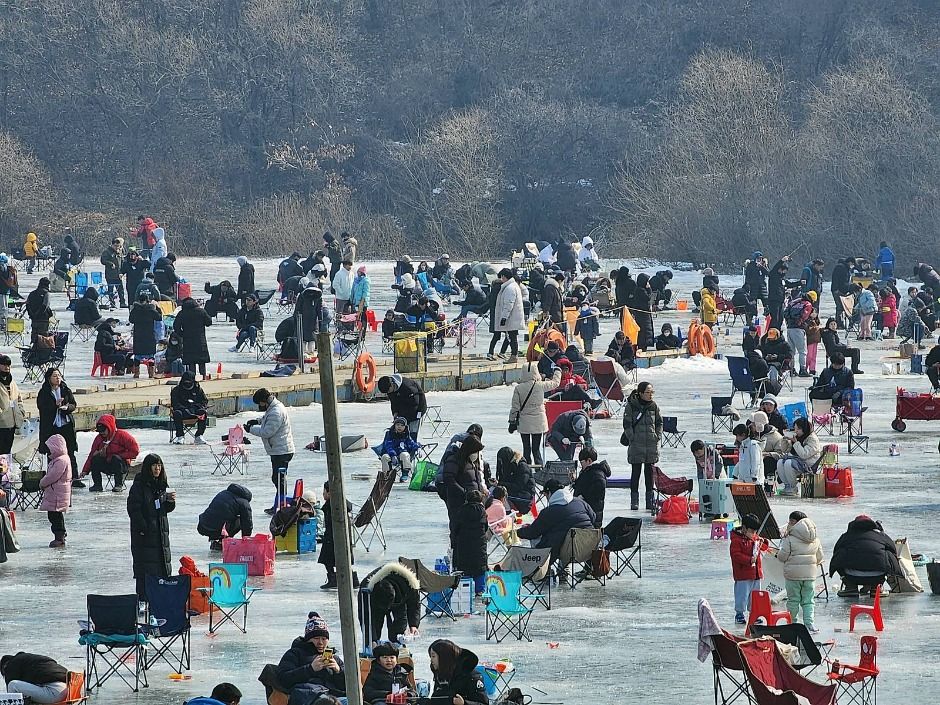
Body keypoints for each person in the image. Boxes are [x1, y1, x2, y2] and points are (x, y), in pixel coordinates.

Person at [127, 453, 175, 601]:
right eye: (154, 465)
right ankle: (142, 600)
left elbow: (161, 510)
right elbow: (134, 509)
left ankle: (158, 600)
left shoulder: (160, 486)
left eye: (159, 465)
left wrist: (169, 501)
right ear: (148, 467)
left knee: (160, 569)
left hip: (160, 536)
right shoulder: (139, 487)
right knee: (145, 570)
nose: (157, 469)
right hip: (145, 537)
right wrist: (144, 529)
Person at [277, 612, 346, 704]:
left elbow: (349, 686)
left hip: (335, 696)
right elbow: (283, 679)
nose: (320, 642)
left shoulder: (335, 658)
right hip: (309, 697)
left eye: (324, 639)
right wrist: (310, 669)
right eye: (316, 638)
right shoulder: (295, 653)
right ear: (308, 638)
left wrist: (338, 671)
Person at [244, 388, 295, 513]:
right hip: (278, 450)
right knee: (277, 479)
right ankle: (279, 505)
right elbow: (267, 418)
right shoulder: (273, 407)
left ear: (263, 401)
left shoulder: (276, 411)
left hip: (282, 451)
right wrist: (257, 421)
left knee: (279, 480)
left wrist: (250, 429)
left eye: (259, 404)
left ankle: (281, 506)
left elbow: (267, 432)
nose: (259, 406)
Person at [517, 480, 596, 560]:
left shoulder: (549, 511)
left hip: (566, 552)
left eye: (545, 495)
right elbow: (593, 517)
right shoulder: (580, 502)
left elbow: (533, 532)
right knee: (565, 536)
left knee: (539, 539)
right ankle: (564, 569)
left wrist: (518, 532)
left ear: (550, 493)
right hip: (589, 547)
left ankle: (542, 568)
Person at [829, 515, 902, 597]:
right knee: (887, 554)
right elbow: (893, 550)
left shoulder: (846, 536)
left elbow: (836, 552)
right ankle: (876, 588)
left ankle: (850, 587)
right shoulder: (881, 536)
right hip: (877, 576)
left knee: (840, 553)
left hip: (851, 576)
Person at [776, 510, 824, 633]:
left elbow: (782, 557)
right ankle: (809, 624)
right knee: (808, 601)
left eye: (790, 521)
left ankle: (793, 623)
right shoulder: (815, 539)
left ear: (795, 523)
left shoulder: (789, 539)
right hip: (810, 576)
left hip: (793, 576)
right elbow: (820, 557)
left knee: (793, 600)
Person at [36, 368, 81, 487]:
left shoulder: (65, 389)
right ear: (49, 378)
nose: (58, 378)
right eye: (55, 376)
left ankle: (74, 478)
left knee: (70, 451)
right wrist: (54, 405)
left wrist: (67, 407)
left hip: (65, 425)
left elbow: (73, 404)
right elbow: (42, 407)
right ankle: (52, 477)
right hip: (52, 427)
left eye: (59, 376)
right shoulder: (44, 392)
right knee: (52, 453)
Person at [358, 563, 421, 646]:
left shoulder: (410, 584)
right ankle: (373, 645)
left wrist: (413, 624)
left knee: (399, 627)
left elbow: (414, 605)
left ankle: (397, 645)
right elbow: (366, 618)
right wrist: (372, 639)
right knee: (375, 628)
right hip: (375, 603)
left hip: (400, 599)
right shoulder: (367, 589)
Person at [622, 381, 662, 511]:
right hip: (636, 444)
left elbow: (659, 422)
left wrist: (657, 436)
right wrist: (632, 437)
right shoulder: (631, 406)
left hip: (651, 443)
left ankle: (649, 501)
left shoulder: (654, 406)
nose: (650, 395)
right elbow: (627, 424)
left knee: (649, 474)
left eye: (652, 392)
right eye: (648, 392)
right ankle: (634, 501)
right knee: (636, 473)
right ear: (640, 393)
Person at [81, 413, 140, 492]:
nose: (102, 433)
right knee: (95, 459)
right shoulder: (99, 438)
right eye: (100, 431)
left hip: (120, 464)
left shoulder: (122, 435)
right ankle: (97, 485)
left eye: (103, 431)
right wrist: (85, 470)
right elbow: (91, 455)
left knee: (116, 458)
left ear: (109, 427)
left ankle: (118, 485)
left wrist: (119, 455)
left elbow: (135, 451)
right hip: (107, 464)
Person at [318, 480, 356, 590]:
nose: (323, 494)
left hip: (334, 537)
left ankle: (333, 579)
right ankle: (351, 578)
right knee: (342, 559)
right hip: (340, 537)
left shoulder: (332, 505)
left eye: (324, 491)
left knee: (327, 558)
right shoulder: (341, 503)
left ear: (330, 493)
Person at [442, 434, 486, 530]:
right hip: (459, 502)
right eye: (475, 451)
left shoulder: (471, 462)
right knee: (459, 528)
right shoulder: (454, 460)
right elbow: (449, 479)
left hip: (473, 502)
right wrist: (465, 492)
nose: (477, 454)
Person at [730, 513, 767, 624]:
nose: (754, 534)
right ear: (744, 528)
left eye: (755, 532)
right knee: (742, 595)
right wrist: (748, 560)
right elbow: (735, 555)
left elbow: (764, 548)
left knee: (755, 596)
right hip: (743, 574)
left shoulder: (755, 538)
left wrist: (763, 541)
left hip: (755, 574)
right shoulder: (737, 540)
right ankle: (739, 614)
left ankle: (754, 614)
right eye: (752, 531)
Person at [428, 639, 488, 705]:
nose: (431, 660)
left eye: (433, 656)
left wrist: (464, 703)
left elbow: (483, 703)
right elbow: (438, 699)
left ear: (444, 657)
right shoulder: (441, 673)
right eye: (430, 656)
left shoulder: (472, 676)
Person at [38, 434, 72, 549]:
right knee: (53, 515)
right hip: (55, 493)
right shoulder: (58, 459)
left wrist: (42, 482)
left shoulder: (61, 461)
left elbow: (52, 476)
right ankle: (60, 535)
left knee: (55, 516)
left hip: (58, 494)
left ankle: (60, 537)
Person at [452, 489, 488, 594]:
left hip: (464, 543)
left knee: (465, 566)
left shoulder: (461, 511)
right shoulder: (483, 512)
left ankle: (465, 588)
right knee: (480, 566)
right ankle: (479, 589)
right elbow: (485, 528)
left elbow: (456, 528)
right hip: (479, 544)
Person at [197, 484, 253, 551]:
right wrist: (246, 540)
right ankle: (222, 542)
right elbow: (247, 523)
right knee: (239, 521)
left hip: (202, 525)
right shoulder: (244, 503)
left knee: (222, 517)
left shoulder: (223, 493)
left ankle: (215, 540)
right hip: (216, 529)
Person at [775, 417, 821, 496]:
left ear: (804, 428)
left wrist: (796, 442)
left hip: (808, 464)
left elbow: (804, 454)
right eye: (795, 429)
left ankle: (793, 487)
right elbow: (784, 450)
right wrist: (784, 440)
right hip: (797, 460)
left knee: (788, 463)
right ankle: (787, 485)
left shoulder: (812, 439)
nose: (796, 431)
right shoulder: (797, 437)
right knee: (780, 462)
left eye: (798, 429)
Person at [1, 652, 69, 704]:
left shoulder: (11, 665)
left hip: (54, 693)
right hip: (67, 689)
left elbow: (9, 696)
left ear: (4, 666)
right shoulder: (29, 661)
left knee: (13, 685)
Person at [377, 374, 427, 439]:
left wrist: (404, 418)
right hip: (403, 408)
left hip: (417, 410)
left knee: (411, 432)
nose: (388, 393)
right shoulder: (390, 390)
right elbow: (394, 403)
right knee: (399, 431)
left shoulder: (408, 387)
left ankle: (412, 444)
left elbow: (414, 404)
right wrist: (395, 413)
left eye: (388, 391)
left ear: (392, 384)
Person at [174, 297, 212, 378]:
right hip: (200, 339)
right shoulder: (201, 311)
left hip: (188, 340)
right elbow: (209, 322)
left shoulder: (182, 313)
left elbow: (176, 326)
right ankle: (203, 376)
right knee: (201, 360)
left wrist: (182, 334)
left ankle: (192, 378)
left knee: (191, 361)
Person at [375, 416, 420, 483]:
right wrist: (393, 455)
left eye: (402, 425)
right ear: (394, 425)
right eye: (398, 425)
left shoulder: (406, 434)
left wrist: (418, 448)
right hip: (390, 453)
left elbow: (411, 443)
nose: (399, 427)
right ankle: (386, 474)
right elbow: (388, 445)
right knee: (384, 457)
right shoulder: (389, 434)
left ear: (405, 427)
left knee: (405, 454)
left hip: (402, 454)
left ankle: (405, 473)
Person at [572, 447, 610, 527]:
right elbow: (583, 485)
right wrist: (575, 481)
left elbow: (597, 491)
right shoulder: (588, 471)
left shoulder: (597, 473)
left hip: (592, 515)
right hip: (585, 512)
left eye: (582, 462)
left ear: (589, 461)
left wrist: (582, 497)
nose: (581, 465)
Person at [170, 370, 209, 444]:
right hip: (182, 411)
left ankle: (199, 436)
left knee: (203, 413)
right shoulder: (176, 390)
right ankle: (180, 436)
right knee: (177, 413)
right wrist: (184, 409)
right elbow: (175, 404)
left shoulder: (197, 389)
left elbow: (204, 401)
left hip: (195, 411)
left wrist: (198, 407)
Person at [493, 268, 523, 362]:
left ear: (504, 277)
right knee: (512, 337)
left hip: (511, 318)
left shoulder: (510, 288)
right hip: (513, 317)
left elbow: (508, 304)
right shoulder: (512, 286)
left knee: (512, 337)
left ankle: (514, 356)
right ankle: (514, 355)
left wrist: (504, 317)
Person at [494, 447, 536, 513]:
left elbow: (519, 486)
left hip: (525, 496)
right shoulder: (508, 466)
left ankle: (507, 512)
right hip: (516, 492)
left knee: (501, 493)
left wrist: (500, 484)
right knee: (493, 490)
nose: (502, 463)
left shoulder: (522, 466)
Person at [784, 292, 814, 376]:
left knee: (791, 351)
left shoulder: (795, 302)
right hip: (798, 329)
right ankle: (803, 369)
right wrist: (802, 322)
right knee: (802, 351)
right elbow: (804, 315)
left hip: (789, 328)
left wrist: (790, 320)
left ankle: (791, 369)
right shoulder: (808, 304)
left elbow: (785, 312)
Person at [0, 354, 22, 454]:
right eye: (4, 365)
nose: (7, 367)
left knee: (7, 452)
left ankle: (6, 470)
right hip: (1, 424)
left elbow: (19, 398)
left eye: (8, 365)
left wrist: (21, 411)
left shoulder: (12, 381)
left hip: (12, 423)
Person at [99, 237, 127, 307]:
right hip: (110, 274)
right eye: (115, 246)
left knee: (120, 289)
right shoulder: (107, 252)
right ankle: (112, 302)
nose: (117, 247)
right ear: (112, 245)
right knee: (111, 290)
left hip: (118, 274)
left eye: (118, 246)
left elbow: (122, 260)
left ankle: (122, 302)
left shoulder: (120, 251)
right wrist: (110, 263)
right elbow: (103, 260)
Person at [766, 257, 791, 329]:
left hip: (781, 301)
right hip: (774, 301)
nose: (784, 273)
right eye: (783, 270)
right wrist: (782, 260)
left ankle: (778, 332)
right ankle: (771, 334)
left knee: (780, 319)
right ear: (780, 269)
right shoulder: (773, 275)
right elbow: (775, 268)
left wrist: (800, 283)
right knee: (775, 319)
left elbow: (789, 284)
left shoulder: (782, 278)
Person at [830, 257, 856, 329]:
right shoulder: (841, 268)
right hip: (838, 290)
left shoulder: (846, 269)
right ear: (850, 262)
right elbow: (837, 279)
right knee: (840, 307)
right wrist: (836, 289)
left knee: (842, 307)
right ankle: (839, 323)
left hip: (843, 290)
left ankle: (841, 323)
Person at [25, 277, 54, 341]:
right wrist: (38, 314)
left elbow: (27, 305)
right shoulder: (46, 294)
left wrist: (32, 314)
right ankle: (42, 349)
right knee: (43, 337)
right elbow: (45, 306)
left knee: (34, 334)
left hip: (34, 319)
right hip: (43, 319)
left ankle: (34, 347)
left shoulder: (32, 293)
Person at [631, 274, 654, 351]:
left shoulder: (638, 289)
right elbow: (648, 297)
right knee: (644, 331)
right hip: (642, 314)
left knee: (644, 331)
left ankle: (643, 346)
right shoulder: (641, 290)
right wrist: (649, 289)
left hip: (642, 313)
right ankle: (643, 347)